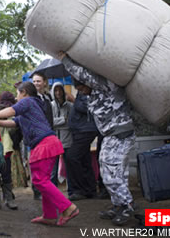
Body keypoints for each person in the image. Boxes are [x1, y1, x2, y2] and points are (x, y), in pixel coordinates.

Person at [0, 82, 78, 226]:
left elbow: (11, 111)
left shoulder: (28, 101)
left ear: (24, 92)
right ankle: (50, 215)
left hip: (44, 144)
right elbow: (13, 123)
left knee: (40, 181)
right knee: (44, 181)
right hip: (48, 144)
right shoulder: (31, 107)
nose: (16, 97)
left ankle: (68, 207)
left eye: (17, 93)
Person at [58, 52, 135, 226]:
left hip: (120, 134)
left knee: (112, 173)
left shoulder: (107, 86)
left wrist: (64, 59)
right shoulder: (91, 96)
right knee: (110, 172)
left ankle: (127, 205)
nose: (82, 91)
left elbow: (84, 75)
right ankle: (118, 204)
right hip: (110, 135)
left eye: (82, 87)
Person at [66, 90, 103, 200]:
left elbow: (88, 108)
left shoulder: (87, 92)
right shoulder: (81, 92)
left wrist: (73, 100)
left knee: (71, 157)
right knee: (84, 159)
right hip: (80, 130)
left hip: (85, 130)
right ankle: (89, 190)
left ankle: (79, 190)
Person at [0, 91, 18, 210]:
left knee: (7, 177)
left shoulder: (6, 127)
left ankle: (8, 199)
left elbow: (15, 126)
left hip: (5, 156)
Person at [31, 72, 54, 199]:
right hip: (36, 137)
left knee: (46, 165)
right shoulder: (32, 99)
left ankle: (46, 190)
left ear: (44, 82)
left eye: (38, 81)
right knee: (37, 165)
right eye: (34, 81)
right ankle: (37, 191)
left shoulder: (47, 98)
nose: (36, 84)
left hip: (47, 135)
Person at [50, 82, 73, 189]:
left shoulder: (70, 106)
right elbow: (50, 122)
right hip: (54, 140)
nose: (58, 93)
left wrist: (58, 123)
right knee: (53, 170)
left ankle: (71, 191)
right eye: (56, 90)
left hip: (67, 139)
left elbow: (72, 122)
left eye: (60, 90)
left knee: (70, 168)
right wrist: (63, 120)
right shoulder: (50, 106)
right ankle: (54, 193)